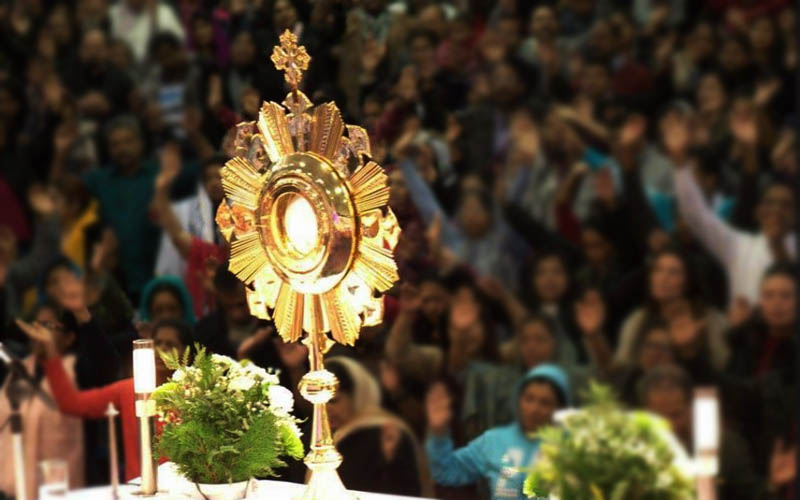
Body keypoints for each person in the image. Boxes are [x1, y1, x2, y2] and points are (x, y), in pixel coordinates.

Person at [15, 318, 193, 481]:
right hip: (137, 492)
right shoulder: (129, 389)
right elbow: (71, 403)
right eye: (158, 343)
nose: (161, 349)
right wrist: (51, 352)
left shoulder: (195, 394)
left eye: (171, 345)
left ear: (188, 354)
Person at [661, 110, 796, 305]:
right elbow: (697, 217)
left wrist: (778, 245)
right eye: (770, 203)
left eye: (786, 204)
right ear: (758, 212)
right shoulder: (740, 247)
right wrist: (680, 163)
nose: (776, 210)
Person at [425, 364, 570, 500]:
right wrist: (438, 432)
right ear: (518, 400)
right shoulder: (494, 440)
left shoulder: (573, 447)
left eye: (544, 403)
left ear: (559, 408)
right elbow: (446, 473)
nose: (533, 409)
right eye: (529, 399)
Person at [0, 305, 85, 500]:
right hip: (13, 487)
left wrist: (52, 351)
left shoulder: (79, 371)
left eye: (47, 326)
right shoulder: (20, 369)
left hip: (59, 486)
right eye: (36, 325)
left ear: (69, 338)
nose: (39, 333)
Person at [640, 365, 760, 500]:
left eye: (676, 415)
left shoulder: (726, 447)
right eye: (659, 418)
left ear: (691, 409)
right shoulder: (635, 450)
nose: (669, 426)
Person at [325, 357, 432, 497]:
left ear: (356, 396)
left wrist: (389, 461)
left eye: (333, 401)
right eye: (321, 401)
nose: (326, 409)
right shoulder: (319, 431)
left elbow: (403, 492)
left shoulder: (381, 432)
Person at [155, 154, 225, 278]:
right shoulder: (185, 211)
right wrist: (161, 193)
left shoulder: (244, 212)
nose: (214, 183)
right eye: (208, 178)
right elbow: (179, 239)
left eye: (220, 177)